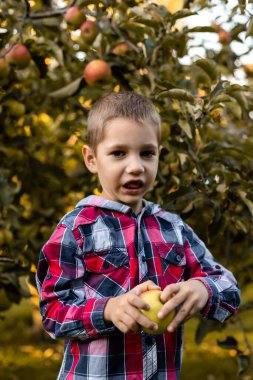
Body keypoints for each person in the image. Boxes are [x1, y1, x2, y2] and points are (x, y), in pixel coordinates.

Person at [36, 91, 240, 380]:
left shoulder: (173, 229)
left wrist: (203, 289)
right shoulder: (76, 229)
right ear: (91, 158)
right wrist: (108, 310)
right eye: (119, 153)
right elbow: (53, 311)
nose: (135, 166)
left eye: (147, 153)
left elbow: (229, 289)